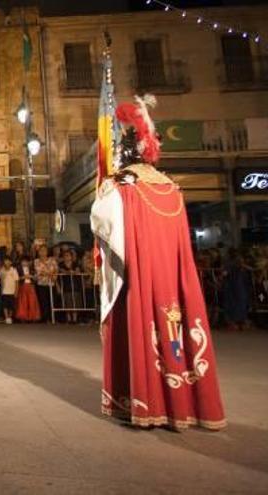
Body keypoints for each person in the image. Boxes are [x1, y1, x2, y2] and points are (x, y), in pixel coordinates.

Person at [91, 94, 225, 430]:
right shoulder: (172, 189)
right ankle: (183, 405)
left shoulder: (123, 190)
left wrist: (106, 185)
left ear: (127, 151)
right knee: (176, 334)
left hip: (141, 279)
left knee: (144, 327)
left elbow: (101, 223)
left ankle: (147, 404)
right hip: (174, 282)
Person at [221, 250, 251, 331]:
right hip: (238, 288)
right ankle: (240, 322)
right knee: (240, 304)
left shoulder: (229, 265)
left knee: (233, 304)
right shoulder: (241, 267)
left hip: (233, 288)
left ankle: (235, 323)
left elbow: (224, 274)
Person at [34, 245, 58, 323]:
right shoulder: (36, 261)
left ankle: (53, 317)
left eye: (44, 250)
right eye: (41, 251)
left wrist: (52, 275)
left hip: (51, 283)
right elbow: (39, 271)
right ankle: (45, 318)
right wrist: (49, 273)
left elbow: (55, 270)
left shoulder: (52, 260)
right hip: (41, 283)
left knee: (52, 300)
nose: (43, 252)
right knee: (43, 301)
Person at [15, 257, 41, 323]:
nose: (25, 263)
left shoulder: (32, 269)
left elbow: (36, 278)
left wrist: (31, 276)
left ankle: (32, 317)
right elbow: (16, 278)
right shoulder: (18, 269)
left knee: (32, 301)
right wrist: (23, 277)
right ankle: (23, 317)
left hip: (31, 286)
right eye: (23, 262)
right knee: (23, 302)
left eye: (26, 262)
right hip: (23, 286)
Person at [58, 250, 81, 324]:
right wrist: (69, 272)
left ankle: (75, 318)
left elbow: (78, 271)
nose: (67, 257)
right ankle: (68, 318)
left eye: (68, 255)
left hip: (75, 285)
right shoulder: (61, 264)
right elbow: (61, 271)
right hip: (66, 285)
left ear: (71, 257)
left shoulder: (75, 264)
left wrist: (73, 272)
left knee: (75, 301)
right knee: (67, 302)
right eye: (65, 256)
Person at [0, 257, 19, 324]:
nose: (7, 262)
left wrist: (16, 291)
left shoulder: (14, 270)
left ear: (11, 262)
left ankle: (10, 317)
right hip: (4, 291)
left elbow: (17, 281)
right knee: (5, 305)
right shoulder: (2, 270)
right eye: (5, 261)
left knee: (11, 305)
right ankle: (6, 317)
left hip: (12, 291)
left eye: (8, 261)